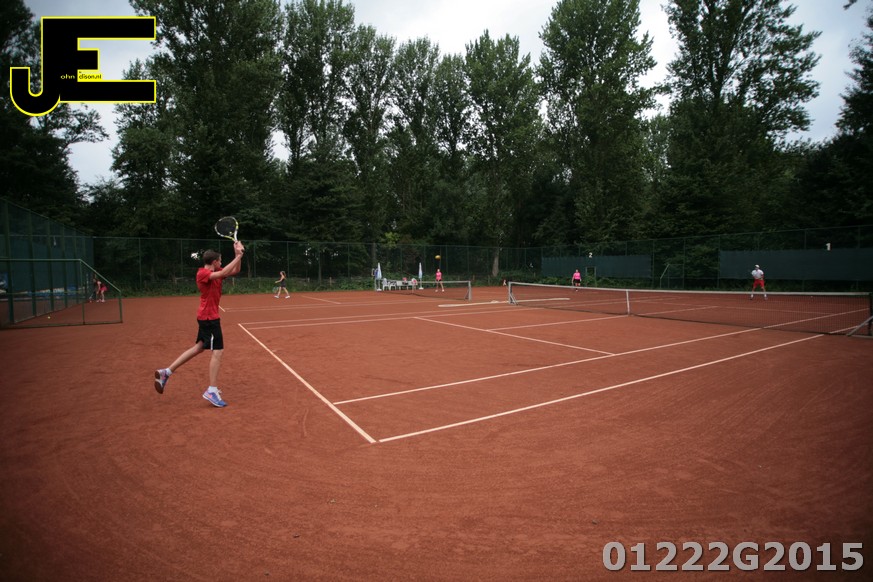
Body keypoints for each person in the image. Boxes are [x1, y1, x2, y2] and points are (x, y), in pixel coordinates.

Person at [154, 241, 245, 407]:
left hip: (207, 317)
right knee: (218, 351)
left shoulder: (216, 271)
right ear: (214, 262)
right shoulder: (202, 273)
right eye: (220, 260)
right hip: (209, 318)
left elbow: (235, 270)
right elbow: (224, 271)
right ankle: (212, 390)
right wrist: (238, 256)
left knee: (199, 347)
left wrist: (238, 254)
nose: (221, 263)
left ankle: (166, 372)